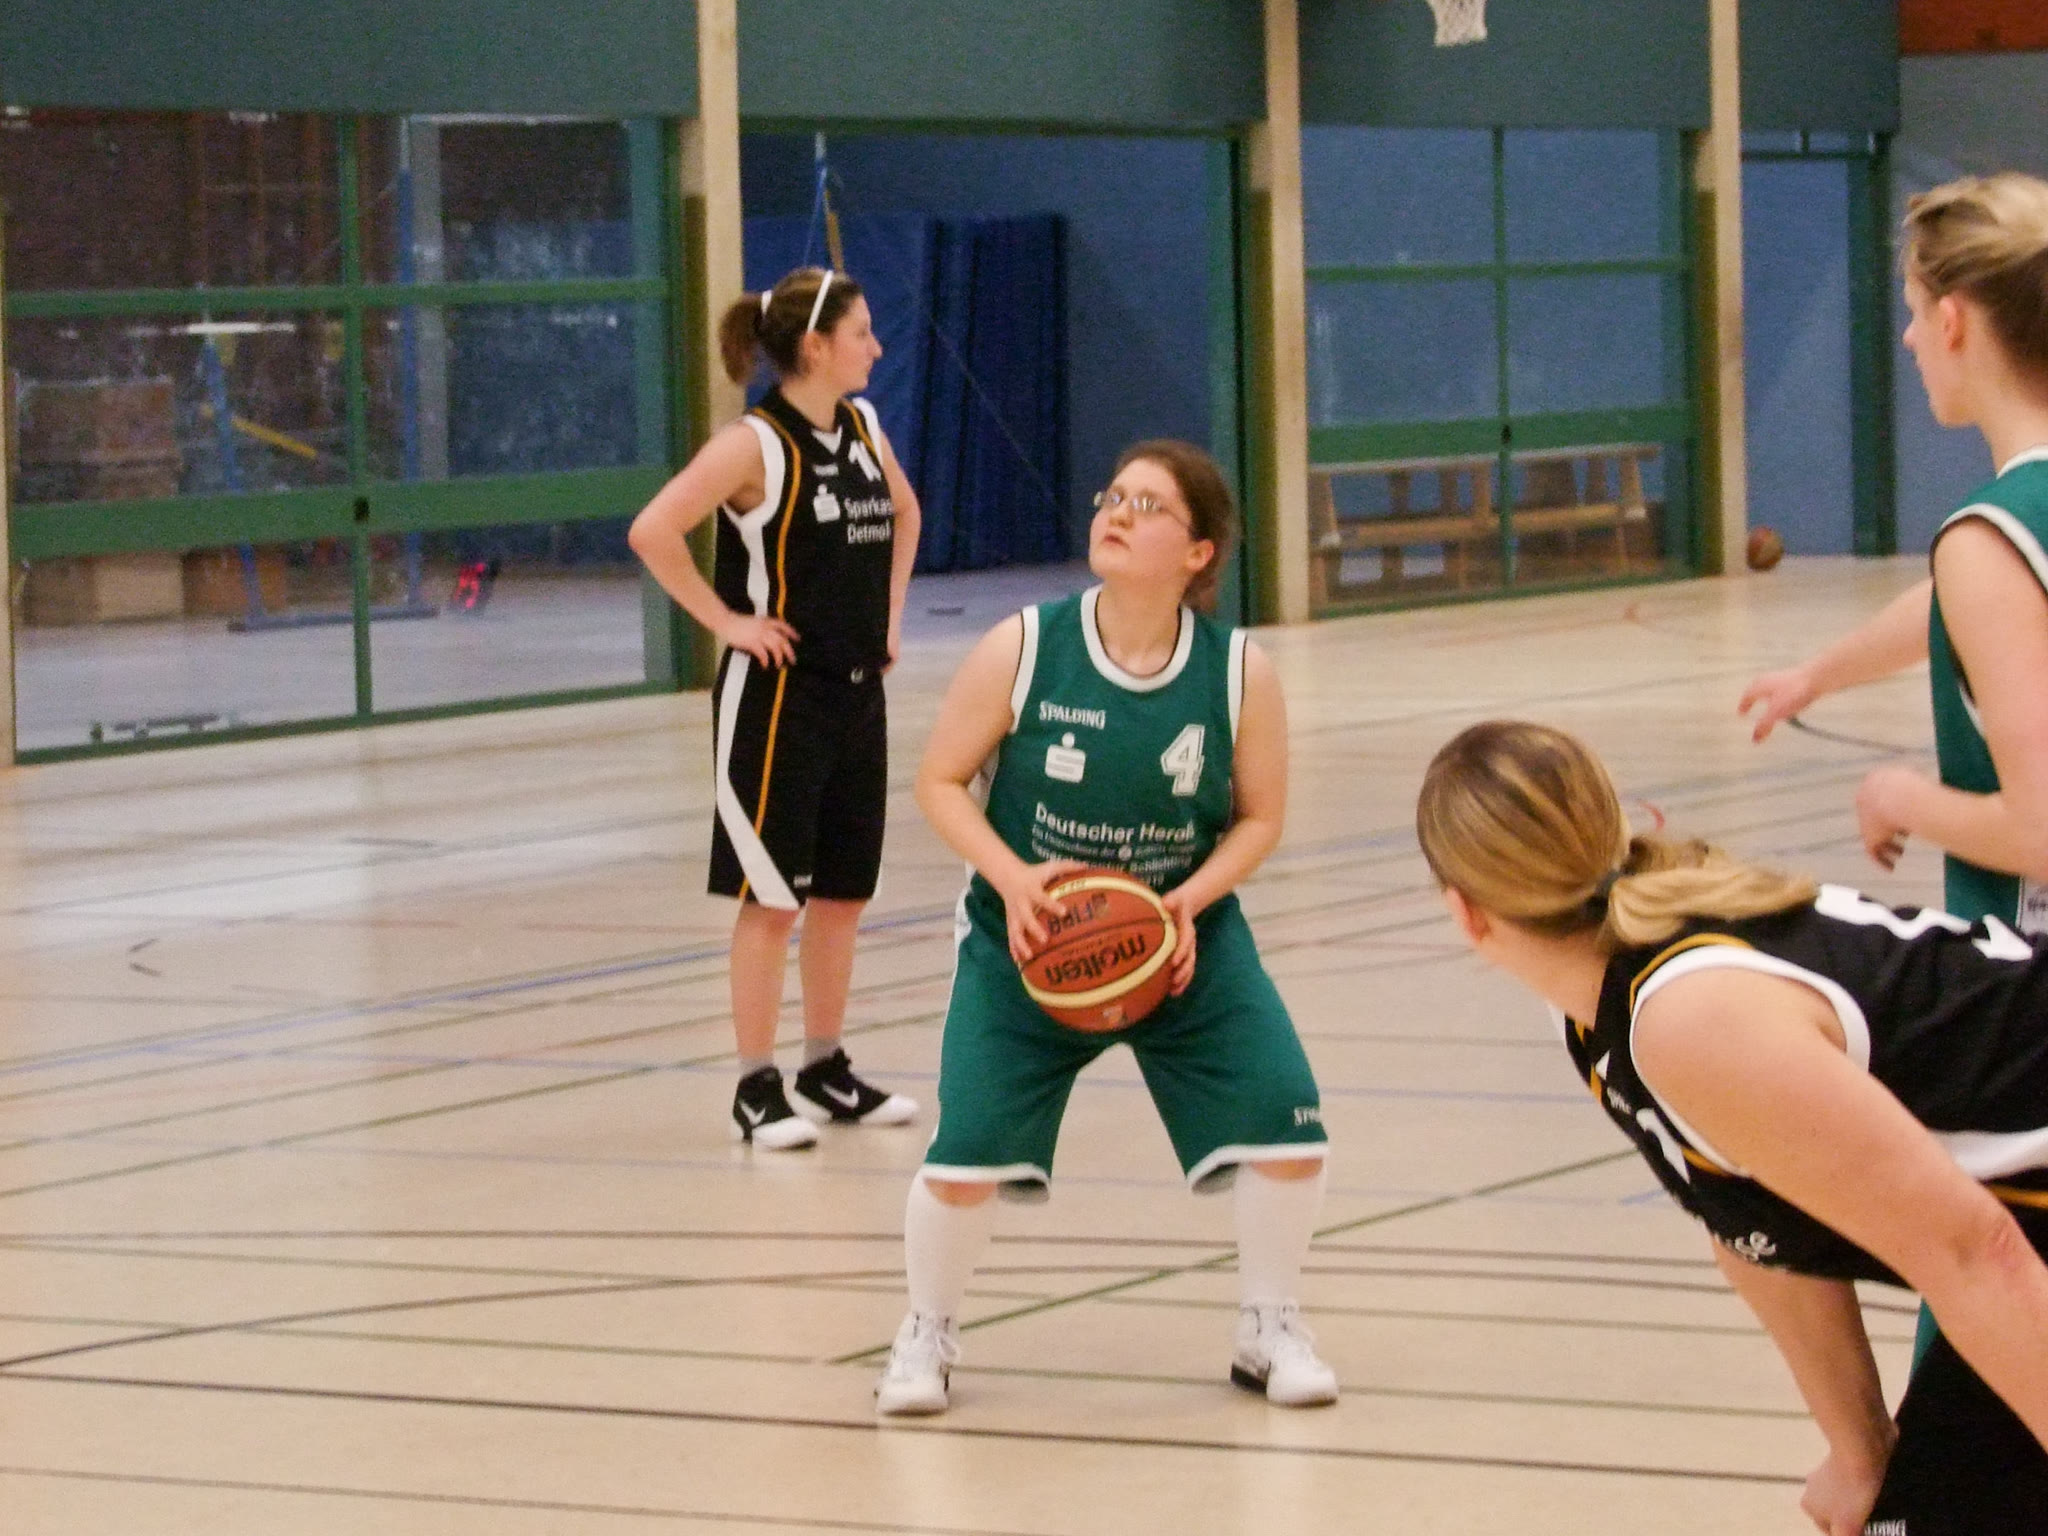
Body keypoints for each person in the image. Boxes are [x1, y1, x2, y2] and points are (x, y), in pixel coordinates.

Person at [1416, 719, 2048, 1536]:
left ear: (1464, 912)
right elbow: (1751, 1227)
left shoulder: (1691, 1015)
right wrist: (1861, 1452)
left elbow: (1976, 1251)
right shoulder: (1597, 1004)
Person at [873, 440, 1335, 1417]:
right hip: (1030, 941)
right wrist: (1013, 879)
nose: (1116, 513)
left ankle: (1268, 1324)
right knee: (966, 1154)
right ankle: (925, 1332)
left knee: (1287, 1120)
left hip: (1182, 937)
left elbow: (1259, 818)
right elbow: (938, 781)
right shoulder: (1023, 646)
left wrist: (1188, 903)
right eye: (1112, 497)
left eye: (1147, 505)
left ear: (1198, 552)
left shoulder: (1238, 672)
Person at [1739, 172, 2048, 1367]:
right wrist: (1816, 675)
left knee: (1980, 1360)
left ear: (1956, 317)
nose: (1910, 339)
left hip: (2022, 1017)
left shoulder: (1987, 536)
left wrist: (1902, 797)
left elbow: (2038, 826)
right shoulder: (1999, 541)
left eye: (1914, 312)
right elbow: (1963, 606)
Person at [629, 267, 921, 1149]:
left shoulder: (864, 428)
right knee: (772, 902)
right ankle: (755, 1086)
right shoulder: (753, 446)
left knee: (842, 897)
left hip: (857, 696)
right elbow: (653, 530)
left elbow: (905, 517)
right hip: (777, 703)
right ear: (816, 347)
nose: (876, 348)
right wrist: (727, 623)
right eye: (862, 333)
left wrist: (890, 617)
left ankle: (824, 1067)